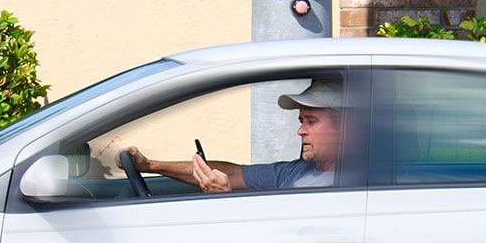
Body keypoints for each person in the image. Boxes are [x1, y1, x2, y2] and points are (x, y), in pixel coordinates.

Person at [120, 78, 341, 193]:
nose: (300, 131)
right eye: (301, 121)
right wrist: (150, 165)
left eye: (311, 122)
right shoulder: (295, 171)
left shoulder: (352, 184)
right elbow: (234, 174)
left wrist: (225, 198)